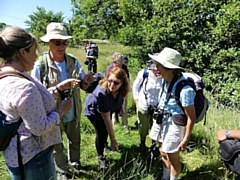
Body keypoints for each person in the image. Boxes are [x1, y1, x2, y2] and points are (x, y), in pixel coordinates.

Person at [0, 26, 81, 180]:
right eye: (33, 51)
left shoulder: (8, 75)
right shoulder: (23, 85)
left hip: (15, 153)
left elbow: (28, 105)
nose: (36, 57)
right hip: (34, 157)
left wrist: (57, 88)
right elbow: (39, 127)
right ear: (22, 52)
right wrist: (61, 111)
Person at [31, 22, 94, 179]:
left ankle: (75, 163)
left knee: (75, 140)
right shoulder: (41, 65)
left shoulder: (72, 60)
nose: (62, 46)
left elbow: (84, 87)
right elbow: (35, 94)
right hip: (54, 113)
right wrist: (59, 88)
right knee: (56, 145)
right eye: (57, 42)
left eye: (64, 42)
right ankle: (62, 171)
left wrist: (86, 81)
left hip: (73, 111)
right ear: (49, 43)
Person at [149, 47, 196, 180]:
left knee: (172, 156)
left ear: (170, 68)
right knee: (163, 151)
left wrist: (185, 139)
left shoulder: (185, 89)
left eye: (159, 65)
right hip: (163, 121)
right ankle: (165, 177)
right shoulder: (165, 81)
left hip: (175, 125)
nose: (155, 68)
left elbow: (191, 117)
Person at [84, 67, 131, 169]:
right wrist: (113, 139)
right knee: (101, 132)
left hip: (108, 110)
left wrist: (121, 108)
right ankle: (101, 157)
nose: (112, 85)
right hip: (94, 112)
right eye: (110, 81)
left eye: (116, 83)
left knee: (105, 130)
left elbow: (122, 97)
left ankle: (105, 144)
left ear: (122, 83)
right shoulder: (102, 92)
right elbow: (106, 118)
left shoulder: (122, 90)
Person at [132, 55, 163, 154]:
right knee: (143, 126)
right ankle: (142, 143)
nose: (156, 71)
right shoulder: (144, 73)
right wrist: (137, 102)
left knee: (156, 127)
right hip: (144, 105)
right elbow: (135, 87)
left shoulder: (164, 77)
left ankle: (154, 145)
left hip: (158, 107)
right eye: (154, 69)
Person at [105, 52, 130, 131]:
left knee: (124, 107)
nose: (122, 63)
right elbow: (107, 81)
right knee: (112, 108)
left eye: (122, 61)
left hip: (122, 90)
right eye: (120, 61)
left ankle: (125, 125)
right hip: (113, 91)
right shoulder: (109, 68)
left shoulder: (124, 68)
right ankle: (114, 125)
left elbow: (127, 79)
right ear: (114, 62)